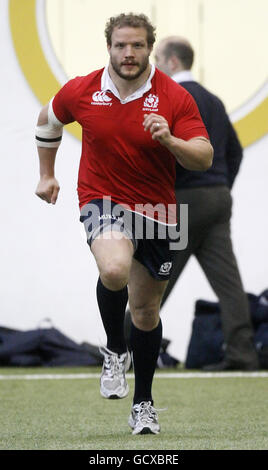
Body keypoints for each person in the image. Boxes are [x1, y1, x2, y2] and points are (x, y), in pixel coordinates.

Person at [35, 14, 212, 435]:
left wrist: (169, 140)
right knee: (113, 269)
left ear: (150, 48)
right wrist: (46, 173)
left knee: (146, 312)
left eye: (136, 46)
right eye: (120, 46)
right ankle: (115, 350)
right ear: (108, 47)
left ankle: (143, 405)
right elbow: (48, 120)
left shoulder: (175, 97)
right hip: (102, 198)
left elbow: (203, 158)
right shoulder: (83, 89)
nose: (127, 54)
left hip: (159, 208)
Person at [155, 36, 259, 371]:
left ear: (172, 62)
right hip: (217, 197)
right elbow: (236, 150)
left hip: (184, 199)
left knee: (156, 275)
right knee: (228, 282)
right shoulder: (213, 100)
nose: (153, 66)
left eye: (157, 59)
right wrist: (221, 184)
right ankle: (242, 354)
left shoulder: (170, 97)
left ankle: (125, 347)